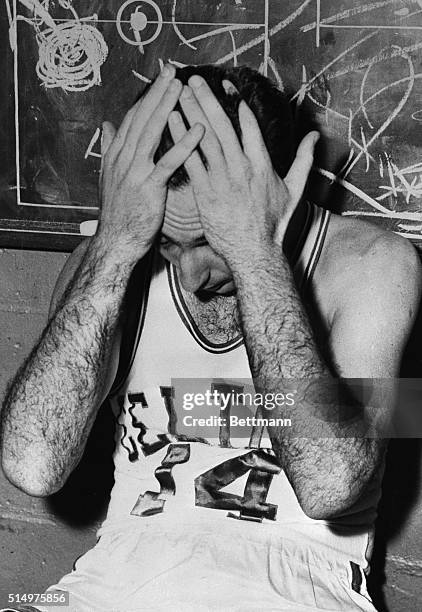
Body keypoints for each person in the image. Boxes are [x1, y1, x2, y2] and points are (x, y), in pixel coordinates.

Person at [1, 63, 421, 612]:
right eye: (169, 243)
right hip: (116, 576)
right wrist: (116, 243)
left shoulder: (375, 263)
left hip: (295, 583)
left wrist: (253, 254)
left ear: (279, 190)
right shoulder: (109, 262)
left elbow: (330, 487)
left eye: (209, 239)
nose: (192, 276)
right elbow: (33, 465)